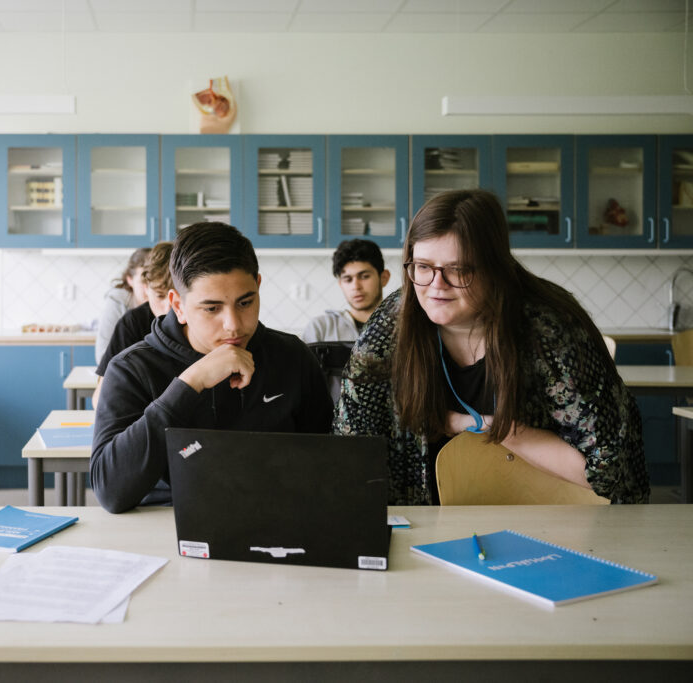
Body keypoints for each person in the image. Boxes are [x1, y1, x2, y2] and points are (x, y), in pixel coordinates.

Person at [333, 189, 649, 505]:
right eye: (424, 266)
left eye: (458, 269)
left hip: (552, 515)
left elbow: (613, 471)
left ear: (494, 268)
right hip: (427, 520)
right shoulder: (390, 326)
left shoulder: (549, 328)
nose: (436, 285)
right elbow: (350, 447)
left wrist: (496, 428)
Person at [91, 222, 332, 514]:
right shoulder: (131, 368)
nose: (233, 324)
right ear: (177, 305)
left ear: (258, 285)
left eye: (245, 302)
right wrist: (190, 383)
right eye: (212, 308)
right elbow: (111, 492)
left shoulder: (292, 355)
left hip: (272, 519)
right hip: (168, 525)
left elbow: (325, 466)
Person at [91, 241, 174, 408]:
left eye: (176, 297)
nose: (168, 309)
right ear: (147, 289)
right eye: (159, 296)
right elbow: (100, 400)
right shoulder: (133, 322)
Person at [302, 238, 389, 344]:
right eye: (348, 279)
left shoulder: (405, 326)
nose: (356, 286)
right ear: (341, 284)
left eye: (365, 276)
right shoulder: (320, 328)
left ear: (384, 278)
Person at [95, 247, 150, 362]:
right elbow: (103, 356)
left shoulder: (164, 304)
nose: (149, 289)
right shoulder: (117, 301)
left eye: (153, 281)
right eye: (143, 282)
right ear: (130, 280)